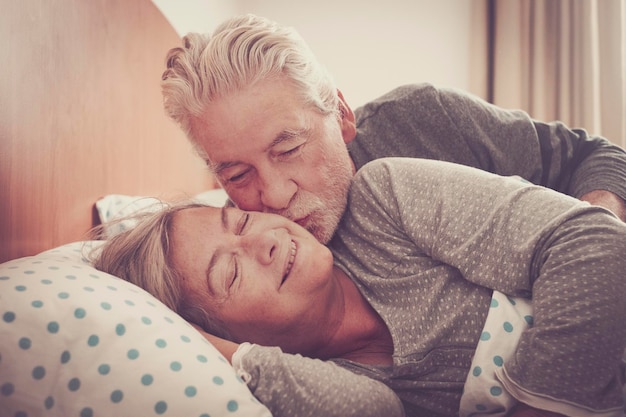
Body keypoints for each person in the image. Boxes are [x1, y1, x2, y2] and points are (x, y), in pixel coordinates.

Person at [93, 157, 626, 417]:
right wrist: (203, 345)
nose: (265, 243)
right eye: (229, 274)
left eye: (241, 223)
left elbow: (594, 240)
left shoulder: (382, 202)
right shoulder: (341, 383)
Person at [160, 13, 626, 245]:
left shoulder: (423, 118)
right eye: (237, 175)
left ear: (340, 115)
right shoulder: (238, 245)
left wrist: (593, 240)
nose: (275, 196)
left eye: (289, 148)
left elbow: (599, 157)